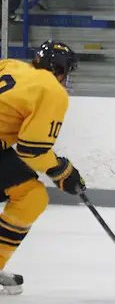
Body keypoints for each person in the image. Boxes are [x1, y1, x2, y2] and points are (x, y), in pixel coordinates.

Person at [0, 41, 86, 295]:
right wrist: (63, 172)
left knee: (24, 188)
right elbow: (32, 149)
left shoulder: (11, 65)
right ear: (60, 70)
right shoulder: (51, 90)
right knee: (32, 196)